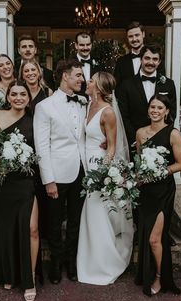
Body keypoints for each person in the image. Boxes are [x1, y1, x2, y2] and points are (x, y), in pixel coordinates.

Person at [0, 80, 39, 301]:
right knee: (5, 228)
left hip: (25, 181)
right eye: (13, 94)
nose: (18, 98)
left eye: (22, 94)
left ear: (28, 97)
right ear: (8, 97)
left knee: (31, 228)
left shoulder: (35, 120)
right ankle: (8, 273)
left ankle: (30, 278)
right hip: (0, 181)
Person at [77, 71, 133, 285]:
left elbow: (111, 147)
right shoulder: (87, 106)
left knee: (97, 213)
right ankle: (89, 261)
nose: (87, 82)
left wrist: (102, 174)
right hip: (84, 164)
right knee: (90, 214)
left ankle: (105, 264)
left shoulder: (108, 112)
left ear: (98, 87)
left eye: (90, 81)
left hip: (98, 168)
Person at [33, 59, 87, 285]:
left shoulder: (84, 102)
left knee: (76, 221)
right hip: (57, 173)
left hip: (82, 171)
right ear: (65, 76)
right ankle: (55, 262)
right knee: (54, 221)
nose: (81, 80)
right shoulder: (44, 106)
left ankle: (71, 261)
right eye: (78, 75)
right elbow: (41, 146)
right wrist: (49, 180)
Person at [134, 93, 181, 297]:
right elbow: (139, 162)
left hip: (163, 190)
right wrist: (134, 180)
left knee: (155, 239)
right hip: (145, 191)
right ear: (148, 109)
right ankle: (147, 273)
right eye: (152, 107)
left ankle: (159, 277)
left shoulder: (173, 134)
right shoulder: (140, 133)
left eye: (159, 108)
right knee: (146, 236)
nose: (155, 111)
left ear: (167, 111)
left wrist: (160, 171)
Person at [19, 59, 53, 284]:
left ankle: (43, 239)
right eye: (26, 70)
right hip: (22, 151)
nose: (31, 72)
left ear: (39, 72)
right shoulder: (19, 93)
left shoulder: (48, 92)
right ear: (22, 74)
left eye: (34, 69)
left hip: (44, 151)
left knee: (44, 201)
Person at [118, 43, 177, 152]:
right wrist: (135, 138)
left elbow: (172, 113)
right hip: (134, 142)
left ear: (159, 62)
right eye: (147, 58)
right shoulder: (126, 85)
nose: (150, 62)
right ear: (141, 59)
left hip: (162, 145)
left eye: (155, 59)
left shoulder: (169, 84)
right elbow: (123, 116)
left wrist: (163, 137)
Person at [114, 21, 145, 87]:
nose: (134, 39)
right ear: (127, 38)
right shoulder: (121, 62)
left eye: (137, 35)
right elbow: (117, 87)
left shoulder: (154, 58)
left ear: (143, 34)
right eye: (130, 36)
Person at [72, 31, 100, 98]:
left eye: (88, 44)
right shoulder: (69, 64)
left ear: (91, 45)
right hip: (76, 104)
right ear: (76, 45)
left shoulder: (99, 63)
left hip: (95, 104)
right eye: (82, 45)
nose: (85, 48)